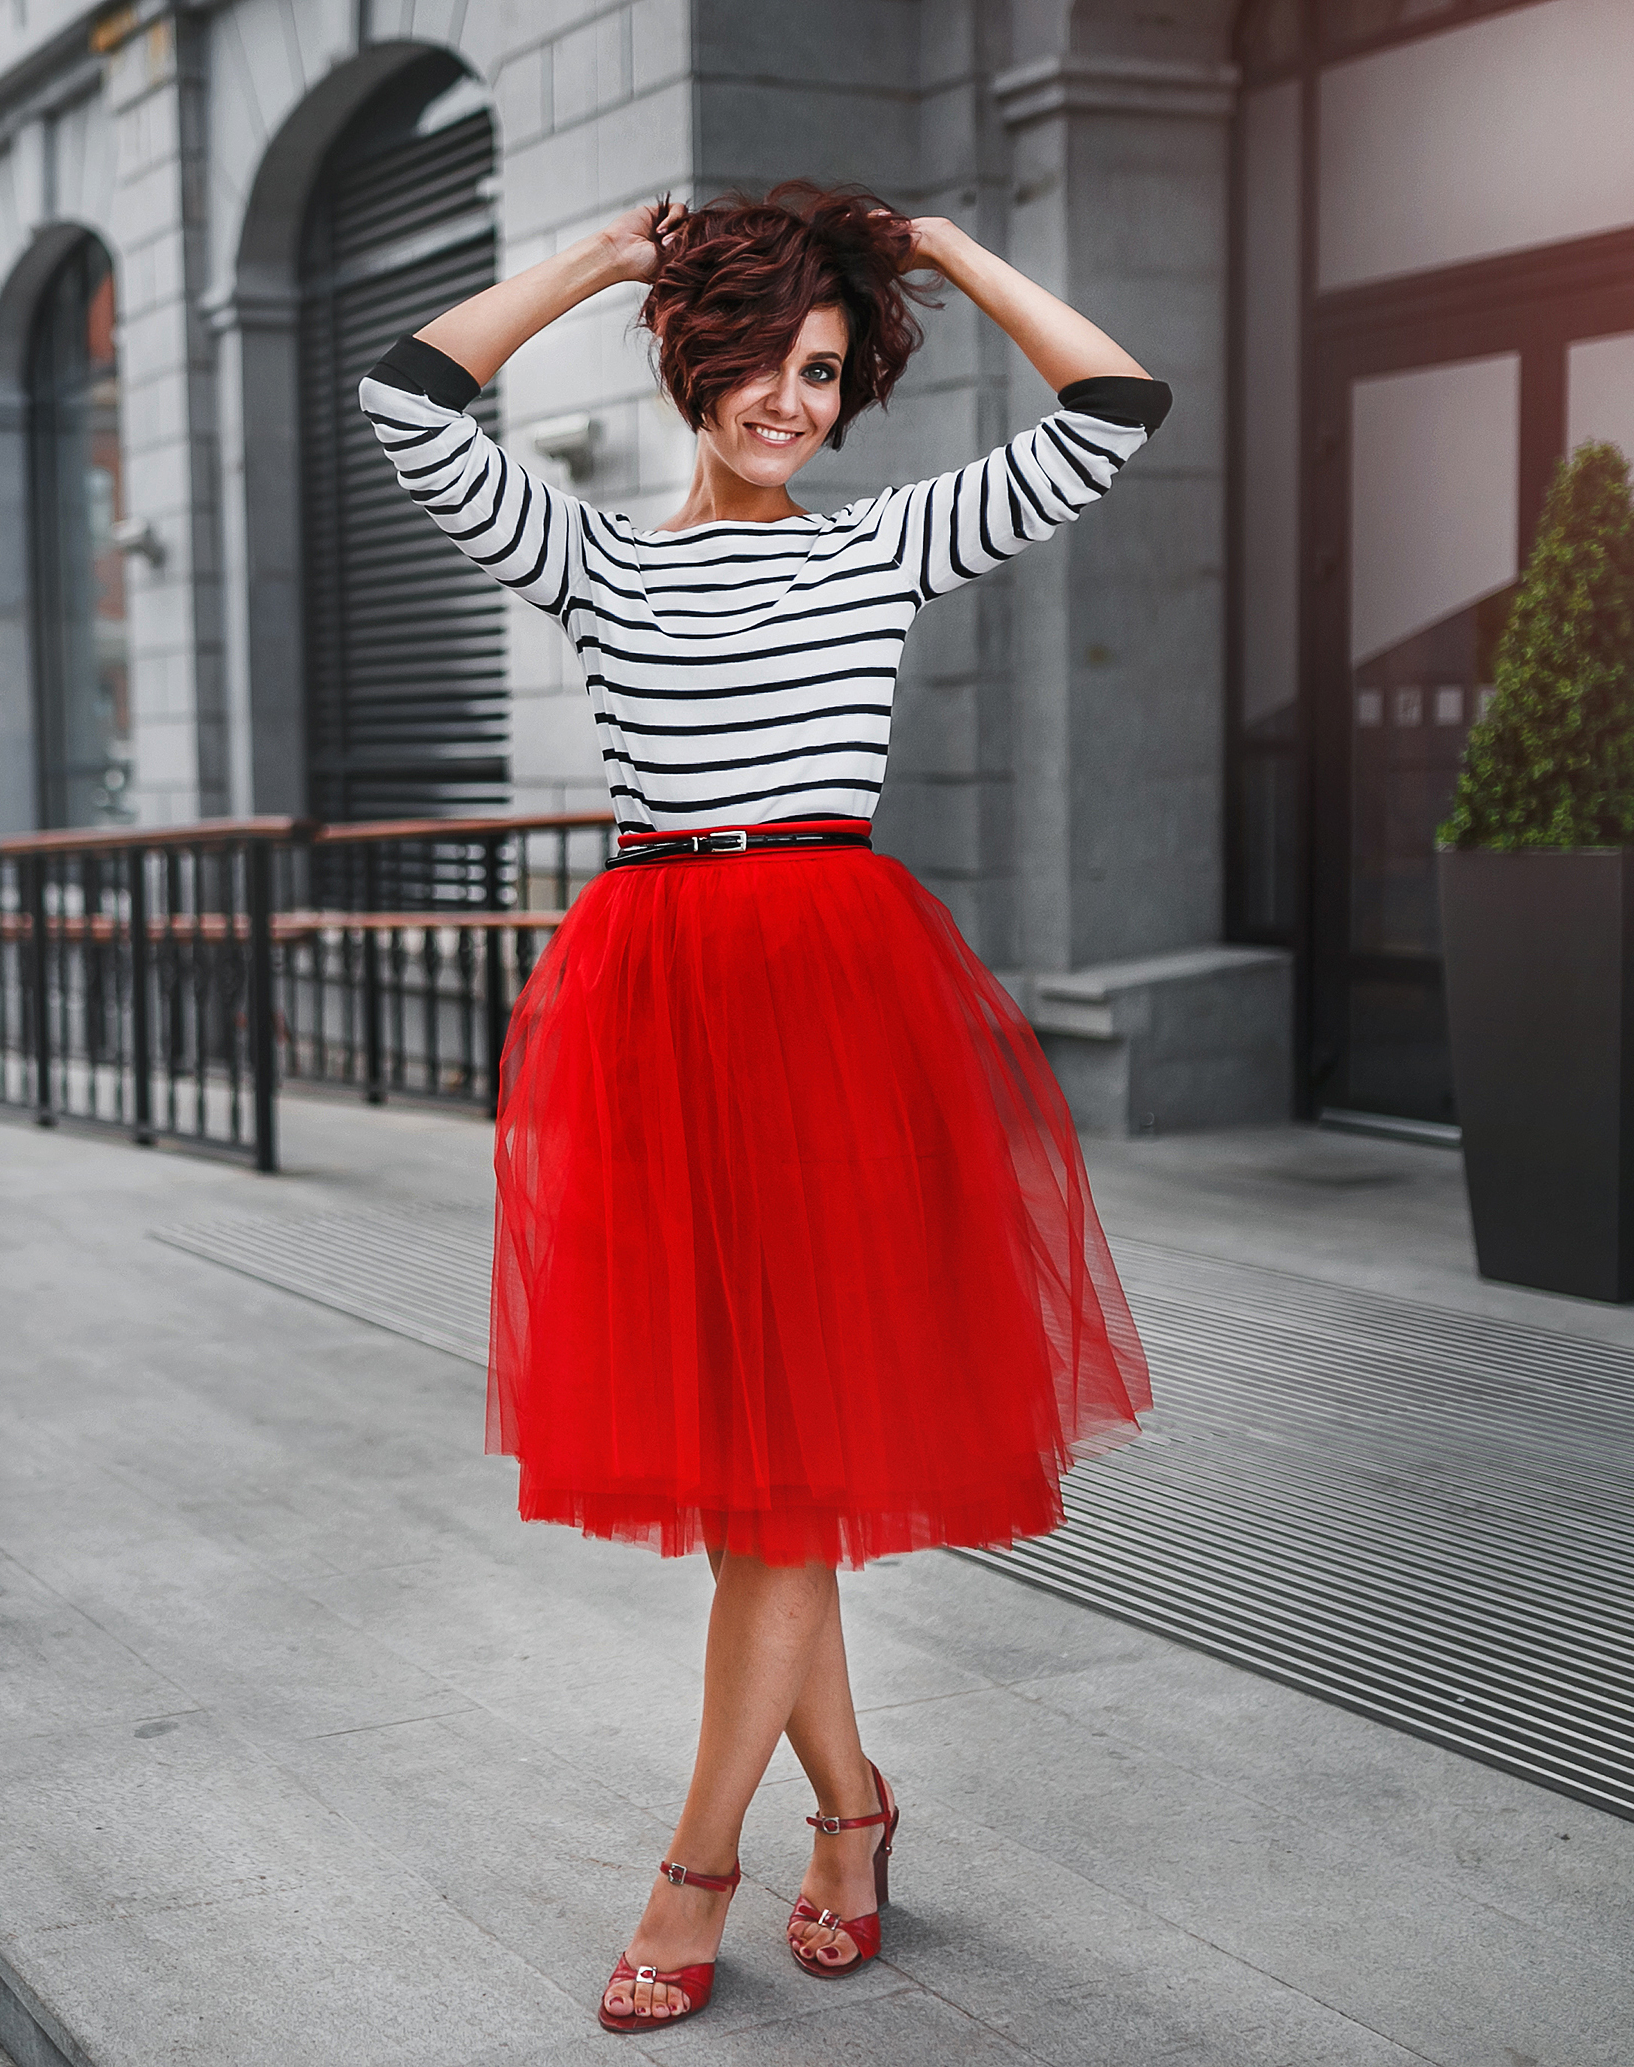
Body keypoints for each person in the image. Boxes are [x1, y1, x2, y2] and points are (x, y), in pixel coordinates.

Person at [360, 184, 1160, 2034]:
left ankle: (698, 1861)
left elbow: (1117, 407)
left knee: (785, 1484)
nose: (789, 401)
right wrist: (596, 260)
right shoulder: (599, 560)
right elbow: (409, 404)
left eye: (821, 369)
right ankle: (857, 1814)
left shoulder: (881, 545)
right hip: (657, 1009)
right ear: (688, 365)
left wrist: (947, 258)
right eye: (755, 363)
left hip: (826, 1006)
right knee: (754, 1477)